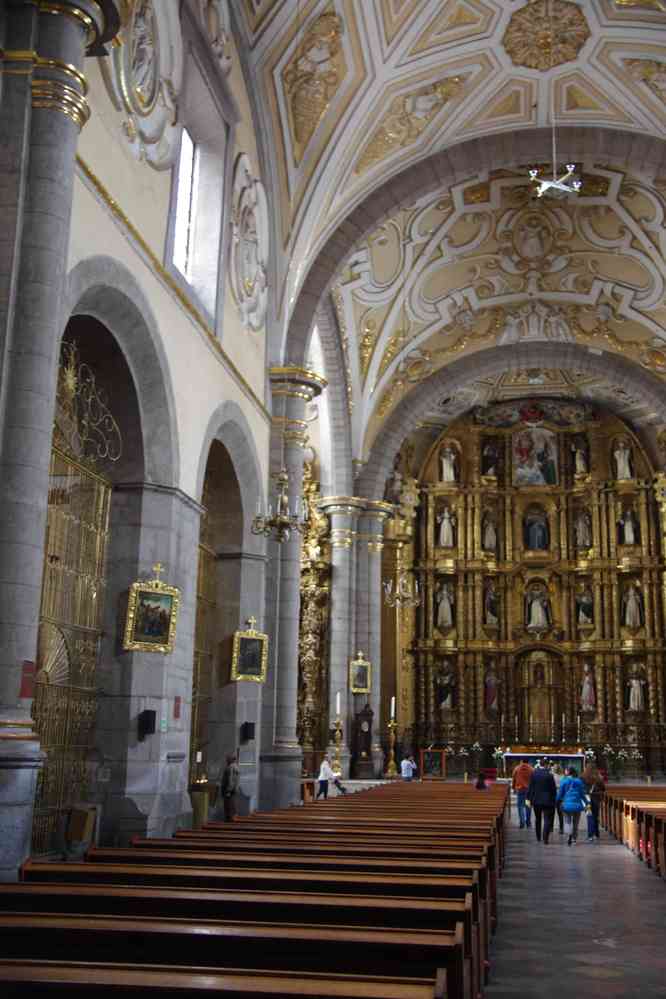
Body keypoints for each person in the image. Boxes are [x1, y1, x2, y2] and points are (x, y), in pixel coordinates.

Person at [557, 766, 589, 846]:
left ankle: (569, 835)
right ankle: (574, 839)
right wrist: (587, 802)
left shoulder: (564, 781)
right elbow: (582, 794)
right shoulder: (579, 781)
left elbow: (560, 794)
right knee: (576, 823)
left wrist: (557, 800)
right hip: (577, 805)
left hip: (567, 805)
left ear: (568, 772)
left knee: (567, 821)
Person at [527, 760, 557, 843]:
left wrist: (528, 798)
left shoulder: (534, 773)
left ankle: (538, 837)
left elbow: (531, 787)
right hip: (547, 800)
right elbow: (553, 789)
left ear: (539, 764)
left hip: (536, 800)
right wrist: (554, 798)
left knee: (538, 819)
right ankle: (545, 838)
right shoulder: (549, 775)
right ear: (546, 765)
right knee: (547, 819)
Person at [582, 763, 605, 842]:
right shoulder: (599, 778)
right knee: (595, 816)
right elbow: (603, 789)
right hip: (596, 799)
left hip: (587, 799)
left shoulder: (583, 777)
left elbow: (581, 788)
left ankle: (590, 835)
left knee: (589, 816)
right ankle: (596, 833)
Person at [512, 758, 534, 829]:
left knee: (520, 806)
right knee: (528, 806)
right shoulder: (531, 769)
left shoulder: (517, 768)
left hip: (520, 789)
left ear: (521, 761)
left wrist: (513, 788)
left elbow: (514, 778)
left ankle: (522, 823)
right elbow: (534, 780)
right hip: (528, 791)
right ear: (528, 762)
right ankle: (528, 823)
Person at [220, 753, 240, 822]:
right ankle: (232, 818)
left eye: (227, 758)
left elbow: (230, 780)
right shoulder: (235, 767)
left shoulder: (231, 767)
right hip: (233, 791)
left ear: (231, 759)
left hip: (229, 792)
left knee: (229, 808)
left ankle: (229, 821)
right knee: (232, 806)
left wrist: (228, 791)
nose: (226, 760)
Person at [552, 764, 565, 834]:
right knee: (560, 814)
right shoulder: (563, 777)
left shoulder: (553, 776)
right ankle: (561, 828)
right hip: (561, 796)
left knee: (551, 812)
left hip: (553, 796)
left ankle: (550, 827)